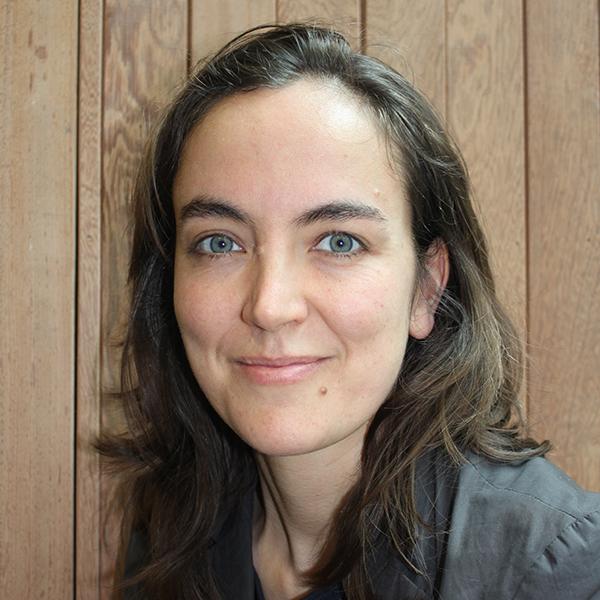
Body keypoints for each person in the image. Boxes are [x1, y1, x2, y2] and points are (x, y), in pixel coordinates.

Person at [100, 23, 600, 600]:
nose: (269, 306)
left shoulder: (552, 568)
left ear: (426, 289)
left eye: (339, 242)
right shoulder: (173, 529)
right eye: (219, 242)